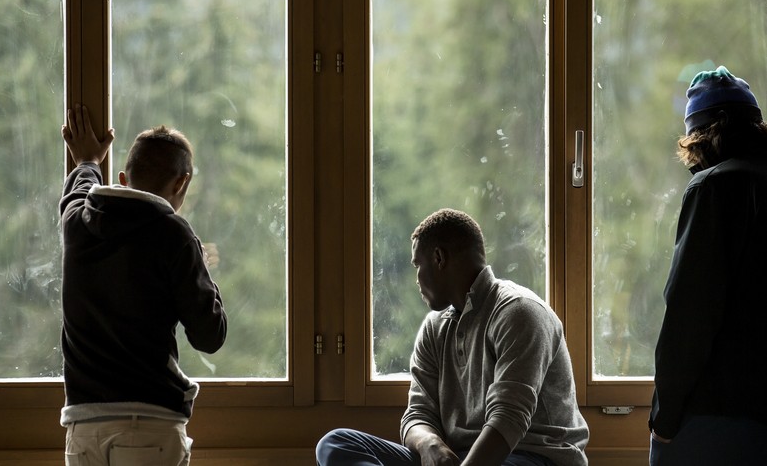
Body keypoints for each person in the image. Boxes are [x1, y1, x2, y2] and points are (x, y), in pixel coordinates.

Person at [317, 208, 589, 466]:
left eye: (417, 265)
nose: (416, 278)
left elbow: (508, 419)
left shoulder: (519, 313)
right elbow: (417, 414)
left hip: (530, 456)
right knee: (337, 444)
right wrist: (429, 444)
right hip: (459, 458)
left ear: (438, 258)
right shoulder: (434, 327)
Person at [59, 104, 227, 466]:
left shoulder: (77, 222)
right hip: (149, 424)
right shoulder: (175, 235)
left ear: (123, 178)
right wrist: (199, 262)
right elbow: (210, 336)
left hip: (83, 427)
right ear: (181, 182)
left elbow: (78, 190)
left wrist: (87, 159)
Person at [649, 66, 767, 465]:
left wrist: (663, 420)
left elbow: (690, 315)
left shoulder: (714, 187)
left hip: (719, 415)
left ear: (700, 138)